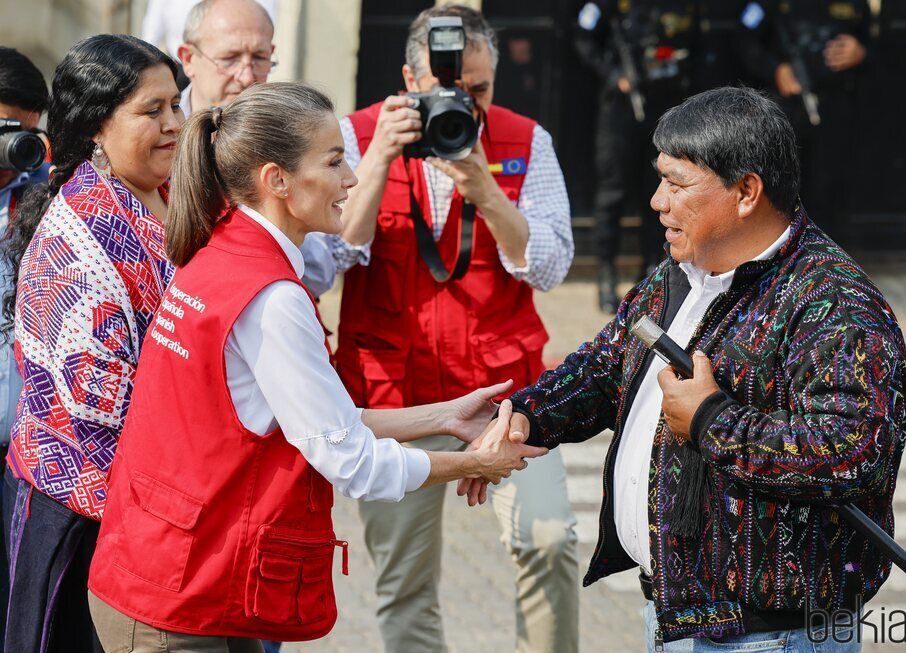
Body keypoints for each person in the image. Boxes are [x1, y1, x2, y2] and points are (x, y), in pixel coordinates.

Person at [85, 80, 545, 651]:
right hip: (176, 596)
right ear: (276, 180)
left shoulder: (223, 253)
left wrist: (446, 417)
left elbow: (310, 419)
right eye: (333, 161)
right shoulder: (271, 295)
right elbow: (348, 460)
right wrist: (474, 463)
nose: (350, 178)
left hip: (182, 573)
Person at [462, 87, 906, 651]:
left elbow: (855, 454)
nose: (657, 201)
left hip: (772, 638)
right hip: (676, 618)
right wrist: (527, 415)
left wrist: (711, 420)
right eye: (660, 181)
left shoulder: (834, 304)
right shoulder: (686, 269)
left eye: (677, 184)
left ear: (747, 191)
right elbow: (608, 365)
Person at [0, 33, 332, 653]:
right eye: (151, 112)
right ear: (97, 125)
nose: (174, 124)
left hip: (186, 509)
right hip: (97, 519)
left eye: (175, 106)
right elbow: (103, 418)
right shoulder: (77, 243)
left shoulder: (179, 194)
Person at [335, 5, 579, 652]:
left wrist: (488, 192)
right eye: (450, 87)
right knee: (405, 580)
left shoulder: (525, 140)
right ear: (410, 80)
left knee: (549, 538)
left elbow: (551, 265)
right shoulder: (355, 136)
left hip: (503, 389)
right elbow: (334, 256)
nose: (465, 104)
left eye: (480, 89)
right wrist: (380, 160)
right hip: (397, 396)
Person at [573, 0, 697, 312]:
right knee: (612, 192)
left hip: (665, 107)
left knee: (658, 191)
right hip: (620, 110)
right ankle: (606, 273)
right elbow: (584, 38)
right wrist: (614, 74)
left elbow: (692, 41)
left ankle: (654, 269)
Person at [737, 0, 871, 244]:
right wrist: (775, 70)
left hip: (835, 107)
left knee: (830, 187)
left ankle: (826, 261)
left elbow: (877, 46)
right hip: (784, 110)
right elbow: (744, 42)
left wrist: (861, 53)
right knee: (779, 189)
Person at [0, 44, 49, 650]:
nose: (18, 152)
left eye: (29, 135)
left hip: (23, 455)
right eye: (7, 131)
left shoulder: (42, 195)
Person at [176, 0, 276, 116]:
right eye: (230, 59)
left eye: (260, 58)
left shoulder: (291, 130)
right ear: (188, 59)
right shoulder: (159, 130)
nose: (247, 78)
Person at [142, 0, 278, 61]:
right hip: (178, 66)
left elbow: (264, 25)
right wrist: (148, 60)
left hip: (237, 62)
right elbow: (154, 24)